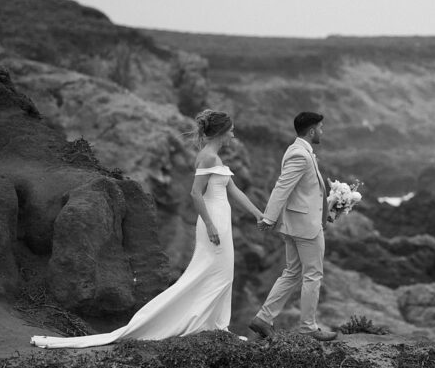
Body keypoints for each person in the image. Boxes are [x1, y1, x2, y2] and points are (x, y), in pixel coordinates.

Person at [31, 110, 264, 348]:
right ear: (221, 132)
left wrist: (258, 214)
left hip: (221, 219)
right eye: (231, 131)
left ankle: (215, 324)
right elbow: (195, 193)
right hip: (213, 220)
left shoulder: (215, 158)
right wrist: (211, 224)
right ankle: (200, 323)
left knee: (221, 273)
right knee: (214, 273)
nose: (233, 135)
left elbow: (233, 190)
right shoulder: (208, 158)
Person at [249, 112, 337, 342]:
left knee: (292, 273)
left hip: (298, 224)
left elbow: (305, 192)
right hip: (305, 228)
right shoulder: (300, 154)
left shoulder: (297, 150)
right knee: (313, 275)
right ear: (312, 131)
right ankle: (308, 328)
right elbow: (282, 187)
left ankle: (263, 318)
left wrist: (327, 211)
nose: (322, 131)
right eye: (320, 128)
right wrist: (269, 218)